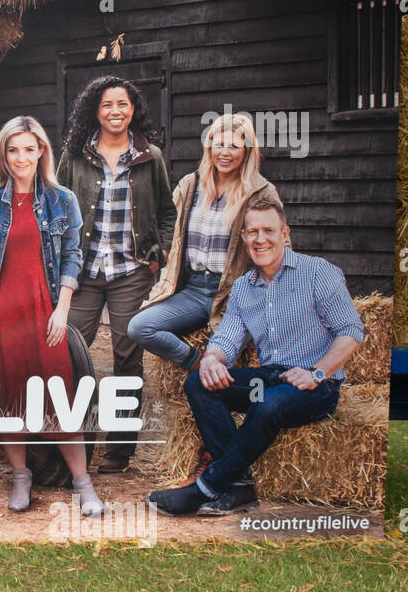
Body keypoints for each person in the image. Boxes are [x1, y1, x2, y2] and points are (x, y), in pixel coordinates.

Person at [148, 199, 364, 516]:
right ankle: (239, 489)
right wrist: (211, 360)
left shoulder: (318, 273)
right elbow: (227, 339)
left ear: (285, 234)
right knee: (198, 382)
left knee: (269, 403)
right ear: (244, 238)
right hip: (270, 379)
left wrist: (316, 373)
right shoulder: (243, 288)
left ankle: (207, 487)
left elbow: (352, 331)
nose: (260, 239)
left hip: (317, 387)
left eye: (268, 231)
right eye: (252, 232)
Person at [0, 117, 103, 517]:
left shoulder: (62, 200)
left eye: (29, 148)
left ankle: (83, 483)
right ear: (3, 155)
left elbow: (72, 258)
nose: (20, 157)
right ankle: (21, 477)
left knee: (58, 396)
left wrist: (62, 311)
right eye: (12, 150)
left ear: (41, 150)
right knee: (6, 396)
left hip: (43, 310)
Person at [56, 75, 176, 475]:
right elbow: (55, 208)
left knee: (127, 359)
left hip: (130, 271)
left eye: (122, 104)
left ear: (133, 109)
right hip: (84, 271)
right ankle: (68, 437)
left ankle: (119, 450)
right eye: (107, 105)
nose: (115, 112)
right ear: (96, 110)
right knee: (68, 351)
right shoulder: (74, 156)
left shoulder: (149, 156)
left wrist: (158, 254)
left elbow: (167, 212)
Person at [128, 113, 281, 370]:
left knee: (224, 356)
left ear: (247, 151)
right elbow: (164, 224)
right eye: (218, 144)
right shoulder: (191, 185)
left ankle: (217, 375)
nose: (224, 152)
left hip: (236, 294)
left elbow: (279, 247)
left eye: (233, 146)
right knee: (139, 327)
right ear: (208, 146)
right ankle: (197, 365)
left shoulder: (261, 191)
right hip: (194, 291)